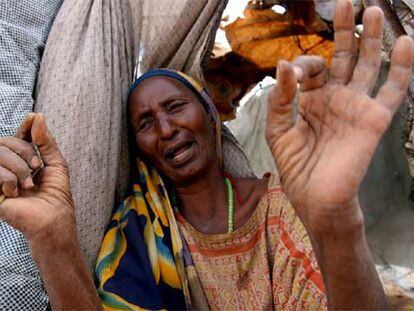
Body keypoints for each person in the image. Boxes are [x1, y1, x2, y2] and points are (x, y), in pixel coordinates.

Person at [0, 0, 412, 309]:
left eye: (176, 107)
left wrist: (339, 226)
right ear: (139, 149)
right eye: (145, 123)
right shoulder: (137, 231)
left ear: (211, 116)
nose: (165, 129)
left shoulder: (276, 213)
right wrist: (52, 240)